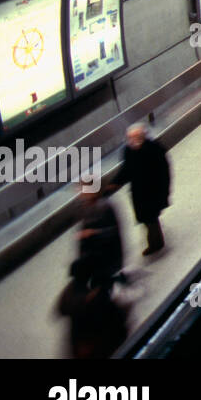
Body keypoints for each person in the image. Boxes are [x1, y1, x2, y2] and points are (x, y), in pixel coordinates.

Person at [110, 123, 170, 257]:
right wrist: (114, 183)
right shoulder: (128, 150)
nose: (133, 140)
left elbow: (164, 173)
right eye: (131, 138)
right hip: (139, 192)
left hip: (153, 190)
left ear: (143, 136)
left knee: (151, 218)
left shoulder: (155, 149)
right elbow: (126, 171)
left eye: (137, 137)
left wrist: (164, 194)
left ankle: (156, 243)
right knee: (148, 218)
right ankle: (155, 239)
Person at [56, 258, 128, 359]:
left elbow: (61, 309)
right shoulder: (92, 295)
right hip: (96, 342)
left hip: (86, 341)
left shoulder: (71, 290)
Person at [76, 183, 123, 292]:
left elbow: (114, 231)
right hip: (93, 255)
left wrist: (93, 233)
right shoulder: (85, 208)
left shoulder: (105, 206)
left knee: (102, 284)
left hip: (106, 255)